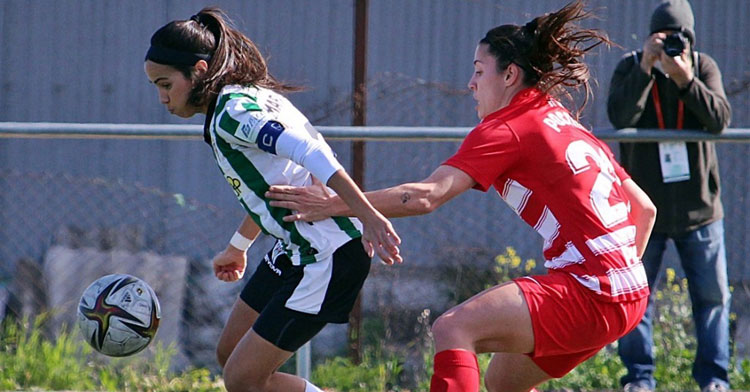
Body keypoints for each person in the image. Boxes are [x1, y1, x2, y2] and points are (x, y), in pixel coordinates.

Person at [267, 1, 656, 390]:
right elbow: (644, 208)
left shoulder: (509, 127)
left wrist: (334, 203)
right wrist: (616, 287)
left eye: (478, 71)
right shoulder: (558, 117)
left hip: (592, 292)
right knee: (504, 382)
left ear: (510, 75)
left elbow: (426, 196)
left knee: (454, 328)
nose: (470, 83)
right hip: (630, 291)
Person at [143, 7, 402, 392]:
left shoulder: (233, 113)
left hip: (327, 254)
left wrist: (369, 216)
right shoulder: (244, 98)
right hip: (296, 244)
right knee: (231, 355)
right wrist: (238, 246)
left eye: (165, 84)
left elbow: (312, 153)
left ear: (198, 71)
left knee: (243, 379)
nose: (163, 97)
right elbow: (277, 186)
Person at [607, 0, 732, 391]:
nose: (672, 47)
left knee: (712, 300)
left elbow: (719, 119)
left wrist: (685, 80)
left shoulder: (703, 67)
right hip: (647, 212)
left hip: (700, 211)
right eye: (664, 39)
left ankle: (714, 380)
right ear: (650, 38)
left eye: (680, 39)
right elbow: (620, 117)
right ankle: (639, 379)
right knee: (635, 297)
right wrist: (647, 68)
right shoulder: (632, 66)